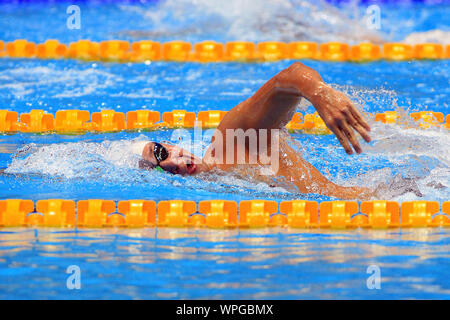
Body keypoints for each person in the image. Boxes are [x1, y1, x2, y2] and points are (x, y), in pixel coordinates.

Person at [139, 62, 375, 199]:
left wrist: (320, 94)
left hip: (380, 200)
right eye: (161, 171)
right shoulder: (221, 186)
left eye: (160, 152)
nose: (169, 164)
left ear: (170, 145)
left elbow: (292, 75)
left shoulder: (229, 142)